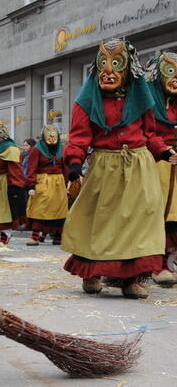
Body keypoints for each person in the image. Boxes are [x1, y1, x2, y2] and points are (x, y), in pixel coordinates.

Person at [62, 38, 174, 299]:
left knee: (139, 222)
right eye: (103, 64)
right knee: (99, 222)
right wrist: (75, 163)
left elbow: (150, 134)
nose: (108, 71)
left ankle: (130, 280)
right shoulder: (86, 100)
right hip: (105, 166)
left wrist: (164, 151)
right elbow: (79, 137)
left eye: (116, 64)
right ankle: (92, 274)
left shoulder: (141, 98)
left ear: (128, 69)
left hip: (139, 166)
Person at [148, 51, 177, 287]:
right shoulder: (149, 102)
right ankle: (157, 264)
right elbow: (148, 133)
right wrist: (163, 149)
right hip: (158, 164)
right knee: (160, 214)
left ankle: (171, 262)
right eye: (169, 72)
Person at [25, 126, 68, 246]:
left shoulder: (62, 149)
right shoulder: (37, 150)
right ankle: (35, 236)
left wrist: (67, 182)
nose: (52, 138)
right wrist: (31, 186)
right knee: (39, 208)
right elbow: (31, 168)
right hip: (43, 181)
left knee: (59, 210)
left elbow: (65, 167)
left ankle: (58, 235)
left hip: (58, 183)